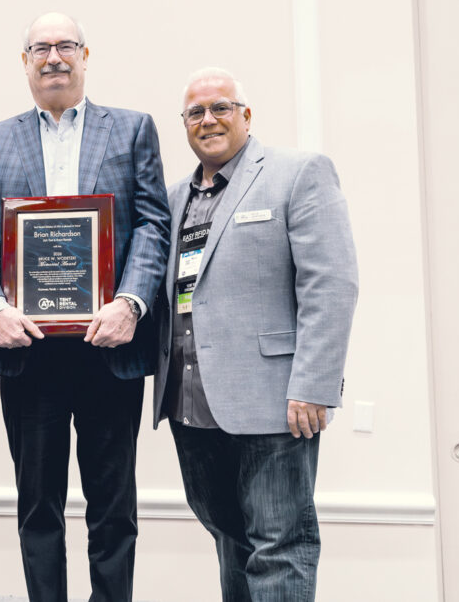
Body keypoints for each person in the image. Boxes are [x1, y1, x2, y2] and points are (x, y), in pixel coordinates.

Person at [0, 12, 171, 602]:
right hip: (27, 352)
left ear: (85, 55)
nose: (53, 57)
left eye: (65, 46)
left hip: (109, 347)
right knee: (37, 508)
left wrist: (130, 302)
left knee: (113, 508)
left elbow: (154, 224)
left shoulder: (131, 129)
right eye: (40, 48)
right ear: (24, 61)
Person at [152, 67, 358, 600]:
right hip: (191, 402)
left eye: (221, 107)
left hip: (273, 401)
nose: (208, 120)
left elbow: (331, 284)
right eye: (195, 112)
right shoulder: (173, 198)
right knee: (230, 538)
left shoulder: (297, 173)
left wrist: (314, 383)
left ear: (246, 114)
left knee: (279, 545)